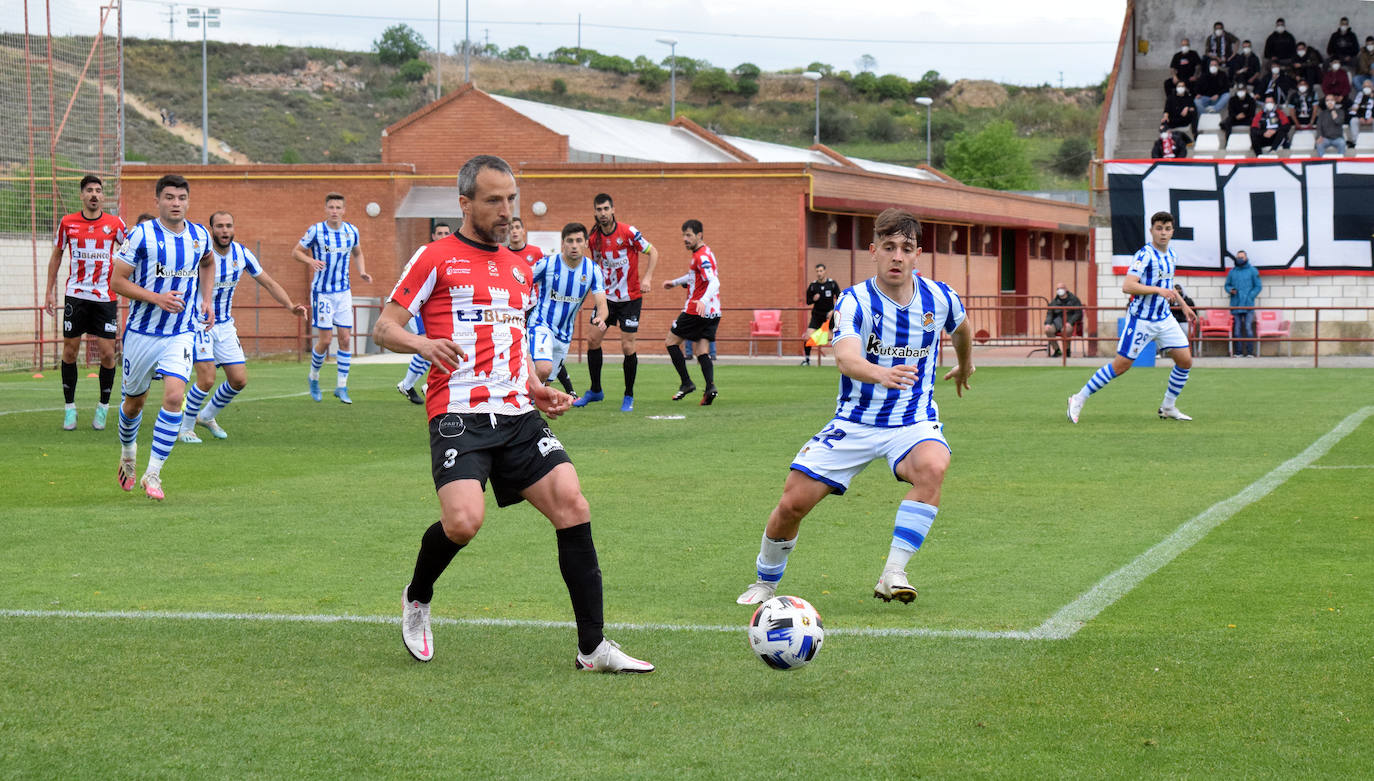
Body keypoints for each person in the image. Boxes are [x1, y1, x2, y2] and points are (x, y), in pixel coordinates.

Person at [373, 154, 652, 673]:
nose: (506, 211)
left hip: (518, 412)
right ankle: (417, 595)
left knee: (573, 505)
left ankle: (592, 649)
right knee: (462, 523)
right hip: (459, 412)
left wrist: (536, 386)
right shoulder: (434, 257)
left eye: (511, 200)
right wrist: (424, 343)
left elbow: (515, 338)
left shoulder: (521, 267)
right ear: (466, 203)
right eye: (494, 200)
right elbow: (385, 327)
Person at [735, 208, 973, 607]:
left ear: (917, 255)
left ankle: (893, 572)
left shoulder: (941, 297)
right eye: (889, 247)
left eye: (906, 249)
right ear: (873, 251)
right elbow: (845, 358)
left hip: (912, 422)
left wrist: (965, 364)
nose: (897, 256)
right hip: (856, 421)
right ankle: (765, 582)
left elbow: (962, 328)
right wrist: (880, 373)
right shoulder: (854, 300)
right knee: (793, 503)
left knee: (933, 466)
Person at [109, 174, 215, 500]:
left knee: (173, 397)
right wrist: (157, 299)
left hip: (180, 332)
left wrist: (206, 299)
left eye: (181, 198)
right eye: (169, 197)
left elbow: (208, 262)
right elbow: (117, 281)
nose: (176, 203)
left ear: (188, 201)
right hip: (141, 333)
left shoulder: (200, 235)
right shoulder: (141, 235)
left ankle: (153, 474)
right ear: (157, 201)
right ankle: (128, 453)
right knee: (133, 403)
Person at [178, 211, 307, 443]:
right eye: (219, 226)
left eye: (228, 226)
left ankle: (206, 417)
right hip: (198, 322)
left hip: (225, 325)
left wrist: (290, 305)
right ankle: (185, 428)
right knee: (206, 378)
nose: (224, 230)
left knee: (238, 380)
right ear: (211, 229)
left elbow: (268, 282)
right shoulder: (200, 255)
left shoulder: (242, 253)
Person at [1067, 211, 1197, 424]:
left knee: (1185, 361)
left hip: (1164, 318)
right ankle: (1078, 398)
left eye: (1167, 229)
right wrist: (1156, 290)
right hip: (1141, 320)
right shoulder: (1144, 254)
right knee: (1121, 366)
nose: (1163, 233)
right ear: (1151, 230)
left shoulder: (1171, 255)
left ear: (1172, 231)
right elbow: (1128, 286)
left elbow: (1168, 284)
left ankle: (1168, 406)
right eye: (1159, 229)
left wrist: (1183, 305)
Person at [44, 174, 126, 431]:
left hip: (105, 297)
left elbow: (132, 253)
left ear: (103, 196)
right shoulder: (68, 223)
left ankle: (103, 408)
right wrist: (49, 291)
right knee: (69, 351)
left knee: (108, 353)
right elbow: (57, 255)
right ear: (81, 195)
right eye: (89, 190)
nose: (93, 194)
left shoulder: (116, 224)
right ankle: (70, 409)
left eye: (98, 190)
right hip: (76, 296)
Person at [573, 193, 658, 412]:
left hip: (630, 299)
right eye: (599, 209)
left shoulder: (629, 232)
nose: (602, 213)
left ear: (612, 210)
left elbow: (653, 252)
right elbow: (597, 268)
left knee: (627, 345)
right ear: (595, 212)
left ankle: (628, 395)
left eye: (605, 209)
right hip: (606, 300)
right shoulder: (594, 240)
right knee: (592, 339)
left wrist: (647, 277)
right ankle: (595, 390)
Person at [293, 192, 371, 404]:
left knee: (345, 339)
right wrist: (310, 261)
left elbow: (358, 253)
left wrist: (362, 271)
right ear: (326, 209)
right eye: (331, 207)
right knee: (326, 341)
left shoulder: (351, 231)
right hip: (322, 293)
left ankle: (342, 387)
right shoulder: (316, 230)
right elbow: (296, 252)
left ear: (344, 210)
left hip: (343, 292)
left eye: (338, 207)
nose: (334, 211)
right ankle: (314, 377)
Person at [528, 222, 608, 388]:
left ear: (586, 243)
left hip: (564, 334)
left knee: (547, 381)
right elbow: (523, 280)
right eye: (570, 241)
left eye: (579, 241)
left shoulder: (593, 270)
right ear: (562, 243)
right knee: (543, 369)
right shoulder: (547, 264)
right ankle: (522, 407)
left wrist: (601, 317)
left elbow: (602, 304)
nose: (574, 245)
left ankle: (525, 406)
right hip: (541, 324)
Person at [511, 216, 577, 396]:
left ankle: (569, 389)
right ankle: (519, 389)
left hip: (535, 309)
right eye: (511, 228)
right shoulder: (504, 255)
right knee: (517, 350)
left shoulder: (537, 252)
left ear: (523, 231)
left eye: (517, 227)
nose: (514, 231)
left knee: (547, 352)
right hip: (514, 310)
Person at [663, 219, 721, 405]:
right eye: (683, 235)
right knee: (702, 350)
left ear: (699, 235)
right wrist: (675, 282)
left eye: (688, 235)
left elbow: (714, 282)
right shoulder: (706, 253)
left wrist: (702, 300)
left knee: (671, 342)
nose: (685, 239)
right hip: (713, 311)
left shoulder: (700, 257)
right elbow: (695, 276)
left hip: (696, 309)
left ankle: (686, 383)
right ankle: (710, 386)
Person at [396, 222, 452, 405]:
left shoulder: (452, 257)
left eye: (446, 233)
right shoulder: (426, 253)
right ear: (434, 236)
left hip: (436, 310)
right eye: (439, 233)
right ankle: (411, 384)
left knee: (437, 344)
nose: (443, 235)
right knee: (427, 342)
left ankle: (417, 384)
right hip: (420, 307)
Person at [1225, 250, 1262, 358]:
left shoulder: (1253, 271)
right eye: (1238, 257)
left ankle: (1250, 352)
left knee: (1248, 328)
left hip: (1248, 305)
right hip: (1235, 304)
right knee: (1237, 328)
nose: (1239, 259)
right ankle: (1238, 352)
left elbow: (1258, 286)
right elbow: (1227, 285)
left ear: (1246, 258)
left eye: (1241, 257)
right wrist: (1230, 290)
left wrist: (1250, 296)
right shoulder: (1232, 272)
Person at [802, 263, 841, 366]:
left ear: (825, 271)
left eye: (821, 271)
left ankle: (841, 360)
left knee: (837, 338)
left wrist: (832, 311)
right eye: (817, 271)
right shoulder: (813, 286)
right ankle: (807, 360)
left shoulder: (832, 284)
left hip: (830, 316)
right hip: (817, 316)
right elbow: (808, 301)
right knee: (808, 336)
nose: (819, 273)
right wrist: (813, 299)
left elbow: (840, 299)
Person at [1043, 283, 1083, 357]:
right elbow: (1049, 314)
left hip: (1070, 321)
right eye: (1057, 289)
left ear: (1066, 289)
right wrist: (1047, 323)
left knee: (1066, 330)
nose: (1059, 290)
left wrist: (1070, 322)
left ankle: (1067, 351)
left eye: (1061, 288)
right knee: (1048, 330)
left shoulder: (1074, 300)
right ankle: (1057, 350)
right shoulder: (1054, 301)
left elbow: (1078, 313)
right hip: (1057, 322)